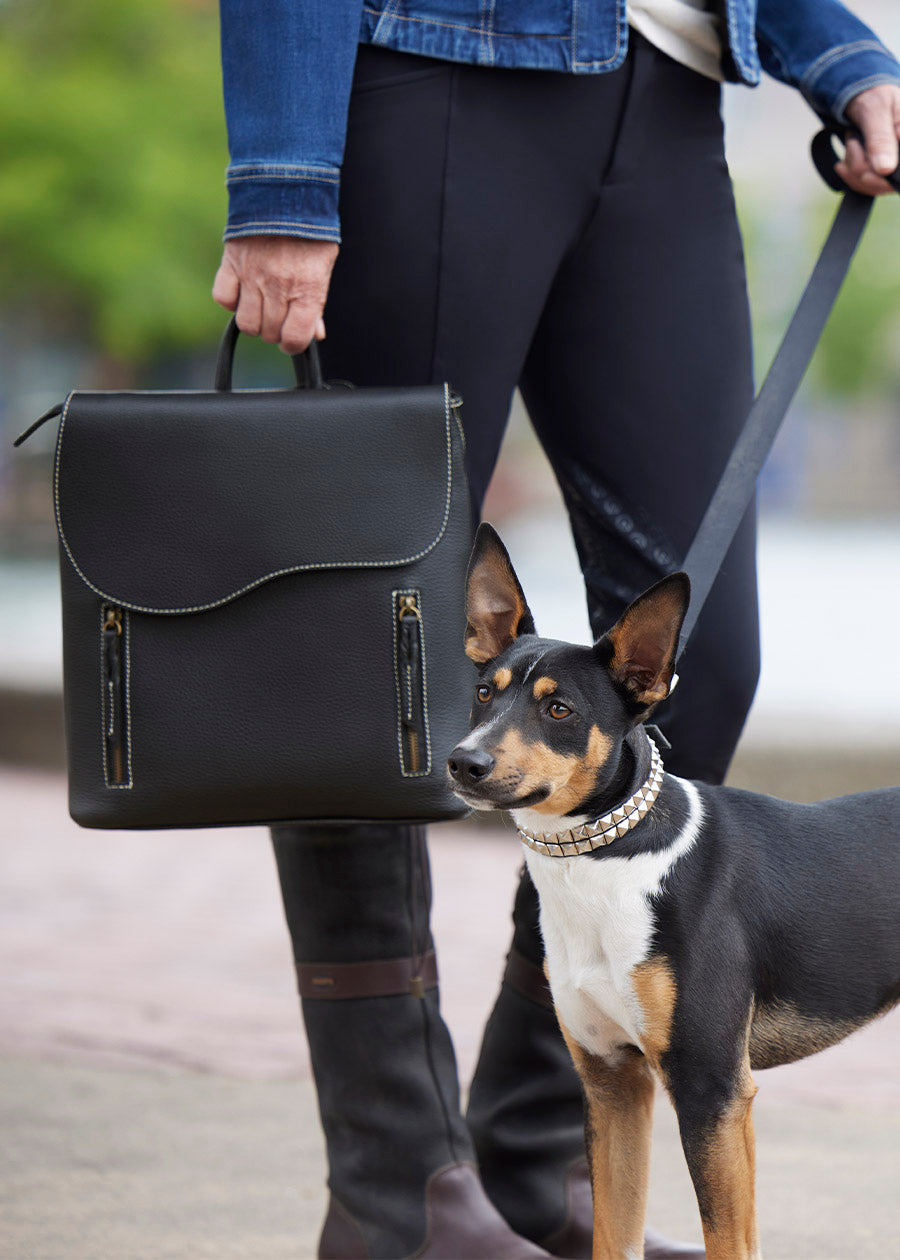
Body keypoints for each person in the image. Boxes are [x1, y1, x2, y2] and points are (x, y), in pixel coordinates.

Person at [212, 4, 900, 1257]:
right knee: (372, 656)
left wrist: (842, 56)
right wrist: (282, 181)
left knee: (700, 660)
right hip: (441, 76)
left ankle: (545, 1154)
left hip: (672, 93)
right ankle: (398, 1187)